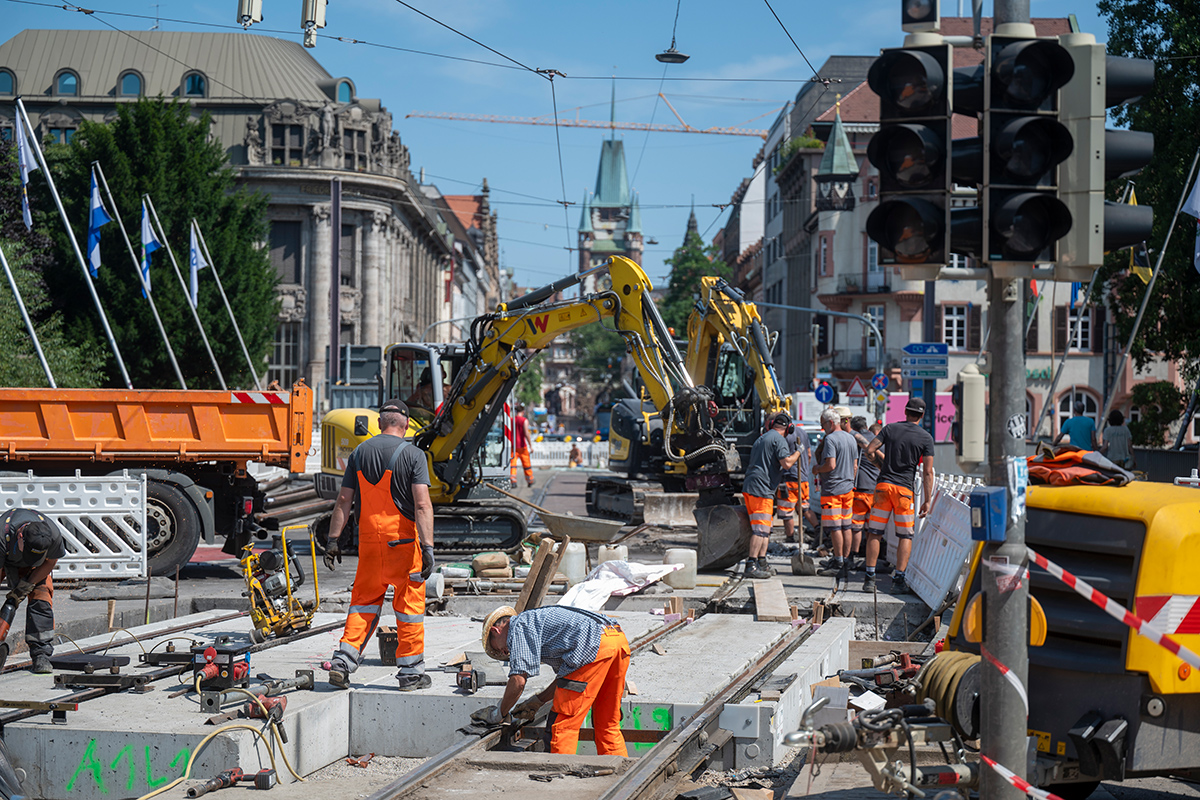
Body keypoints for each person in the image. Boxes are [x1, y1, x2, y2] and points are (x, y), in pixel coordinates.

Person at [322, 399, 435, 691]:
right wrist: (429, 546)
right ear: (407, 424)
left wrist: (333, 540)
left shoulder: (359, 453)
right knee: (409, 607)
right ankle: (410, 673)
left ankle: (343, 662)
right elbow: (422, 505)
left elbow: (344, 500)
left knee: (363, 603)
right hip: (404, 544)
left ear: (379, 423)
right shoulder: (413, 455)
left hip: (370, 544)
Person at [475, 605, 630, 756]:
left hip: (592, 646)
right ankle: (618, 769)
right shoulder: (536, 620)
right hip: (616, 640)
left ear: (496, 631)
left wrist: (499, 713)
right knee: (608, 722)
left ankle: (559, 777)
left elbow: (518, 681)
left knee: (562, 726)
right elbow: (568, 678)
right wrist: (538, 700)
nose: (503, 651)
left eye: (495, 647)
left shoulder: (518, 627)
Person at [863, 397, 936, 594]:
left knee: (875, 532)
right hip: (904, 491)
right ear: (922, 415)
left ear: (905, 412)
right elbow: (927, 472)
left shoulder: (889, 429)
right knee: (905, 535)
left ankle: (869, 579)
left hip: (883, 487)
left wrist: (881, 465)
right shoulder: (925, 438)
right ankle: (899, 580)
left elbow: (870, 450)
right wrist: (927, 500)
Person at [0, 509, 63, 674]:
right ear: (20, 537)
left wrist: (26, 585)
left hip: (38, 566)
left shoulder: (53, 534)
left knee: (41, 595)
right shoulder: (1, 534)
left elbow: (49, 563)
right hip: (4, 557)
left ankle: (41, 654)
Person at [741, 413, 802, 579]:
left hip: (753, 487)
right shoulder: (779, 439)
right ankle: (751, 565)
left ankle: (762, 562)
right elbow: (787, 463)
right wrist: (798, 452)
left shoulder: (762, 438)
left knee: (765, 529)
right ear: (789, 428)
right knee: (760, 530)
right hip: (761, 489)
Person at [813, 408, 859, 580]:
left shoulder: (830, 439)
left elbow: (830, 465)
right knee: (847, 526)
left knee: (834, 528)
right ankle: (845, 561)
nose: (822, 428)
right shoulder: (851, 438)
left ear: (831, 423)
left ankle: (838, 561)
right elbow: (855, 466)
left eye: (823, 424)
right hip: (848, 489)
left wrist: (818, 469)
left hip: (832, 490)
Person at [850, 418, 883, 568]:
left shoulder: (856, 440)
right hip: (876, 489)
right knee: (872, 526)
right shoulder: (878, 441)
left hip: (861, 489)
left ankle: (853, 555)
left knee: (856, 525)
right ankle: (870, 557)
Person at [775, 417, 805, 544]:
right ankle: (817, 528)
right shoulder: (803, 433)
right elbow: (808, 454)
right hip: (803, 478)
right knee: (804, 507)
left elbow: (784, 461)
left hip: (789, 477)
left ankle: (790, 537)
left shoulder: (784, 437)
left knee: (787, 512)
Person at [511, 403, 535, 487]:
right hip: (522, 445)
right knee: (526, 464)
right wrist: (530, 445)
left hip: (513, 446)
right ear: (523, 412)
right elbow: (526, 433)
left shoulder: (511, 419)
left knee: (512, 464)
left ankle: (513, 481)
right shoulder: (524, 420)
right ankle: (530, 481)